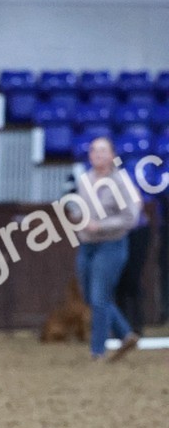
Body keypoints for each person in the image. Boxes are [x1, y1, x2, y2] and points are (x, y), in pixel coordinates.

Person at [74, 137, 142, 362]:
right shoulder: (85, 180)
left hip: (111, 244)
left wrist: (100, 225)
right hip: (87, 244)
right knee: (91, 296)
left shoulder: (121, 181)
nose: (98, 155)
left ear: (112, 155)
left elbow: (131, 217)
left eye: (103, 151)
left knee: (99, 296)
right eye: (94, 150)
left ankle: (97, 350)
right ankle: (125, 333)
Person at [114, 188, 152, 337]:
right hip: (112, 233)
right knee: (117, 281)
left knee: (133, 279)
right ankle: (122, 329)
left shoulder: (129, 173)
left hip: (136, 229)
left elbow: (141, 201)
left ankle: (136, 325)